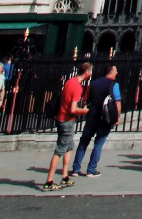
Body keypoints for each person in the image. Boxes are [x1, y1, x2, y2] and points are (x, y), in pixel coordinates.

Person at [42, 60, 91, 191]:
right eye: (91, 71)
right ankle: (49, 180)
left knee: (69, 147)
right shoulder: (78, 87)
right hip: (67, 120)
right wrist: (85, 111)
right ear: (87, 72)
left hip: (61, 117)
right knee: (60, 150)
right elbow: (73, 109)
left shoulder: (70, 82)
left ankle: (64, 176)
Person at [75, 64, 121, 178]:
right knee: (99, 142)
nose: (117, 73)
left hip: (92, 114)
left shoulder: (93, 83)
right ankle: (91, 169)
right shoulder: (114, 84)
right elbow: (117, 101)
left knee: (84, 140)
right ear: (111, 72)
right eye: (115, 71)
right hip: (105, 116)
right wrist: (117, 117)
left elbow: (85, 98)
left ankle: (76, 168)